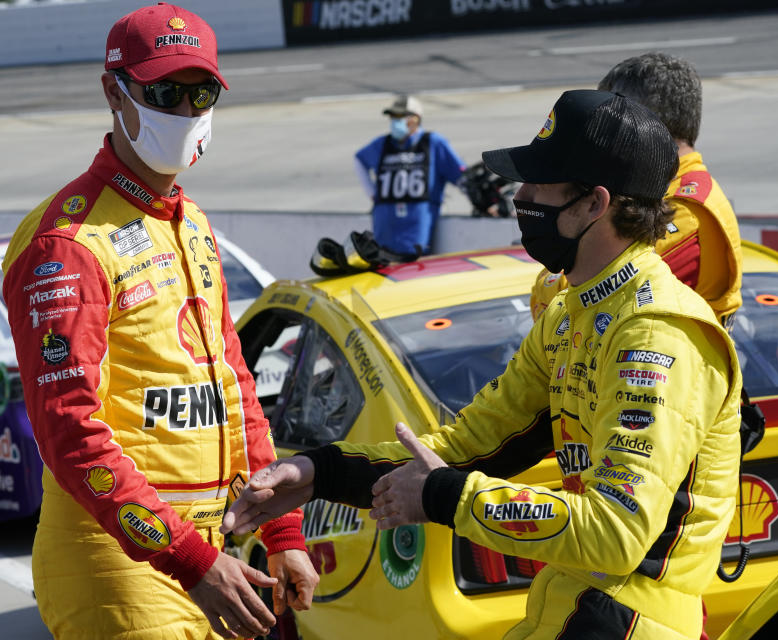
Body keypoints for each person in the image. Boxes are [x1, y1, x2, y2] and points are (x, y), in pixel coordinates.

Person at [222, 90, 743, 640]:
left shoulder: (658, 332)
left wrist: (446, 496)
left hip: (633, 621)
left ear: (595, 204)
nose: (522, 196)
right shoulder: (572, 312)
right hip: (573, 609)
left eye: (541, 184)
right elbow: (468, 446)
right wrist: (320, 473)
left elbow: (616, 532)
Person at [1, 5, 317, 639]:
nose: (184, 110)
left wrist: (281, 528)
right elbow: (71, 435)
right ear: (113, 93)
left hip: (209, 552)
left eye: (200, 93)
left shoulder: (191, 222)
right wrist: (194, 562)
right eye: (165, 92)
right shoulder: (67, 241)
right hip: (117, 562)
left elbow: (235, 388)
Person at [530, 53, 742, 326]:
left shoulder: (686, 210)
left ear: (636, 119)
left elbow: (572, 300)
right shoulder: (652, 188)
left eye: (604, 118)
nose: (596, 133)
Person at [354, 94, 468, 256]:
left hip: (417, 235)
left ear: (415, 119)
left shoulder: (432, 143)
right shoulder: (383, 144)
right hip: (384, 232)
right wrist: (372, 193)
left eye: (400, 116)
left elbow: (461, 176)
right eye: (393, 117)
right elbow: (359, 160)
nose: (395, 121)